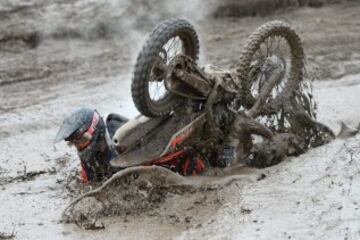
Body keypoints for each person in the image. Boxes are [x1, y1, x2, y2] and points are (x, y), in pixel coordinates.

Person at [54, 108, 128, 183]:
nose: (78, 146)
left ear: (94, 130)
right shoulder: (86, 155)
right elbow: (89, 183)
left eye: (81, 140)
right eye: (73, 143)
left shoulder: (119, 132)